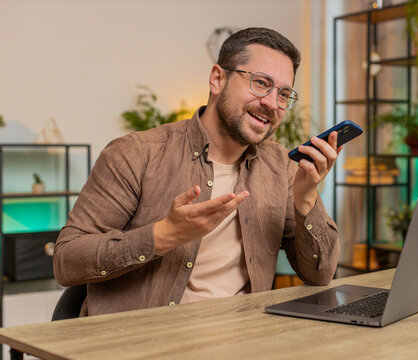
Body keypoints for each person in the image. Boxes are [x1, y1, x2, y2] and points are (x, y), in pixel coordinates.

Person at [54, 27, 342, 316]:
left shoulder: (280, 166)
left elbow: (320, 274)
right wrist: (162, 235)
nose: (271, 103)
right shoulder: (136, 153)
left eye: (283, 94)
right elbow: (66, 261)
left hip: (245, 340)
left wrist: (306, 198)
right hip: (142, 343)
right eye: (260, 83)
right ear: (218, 79)